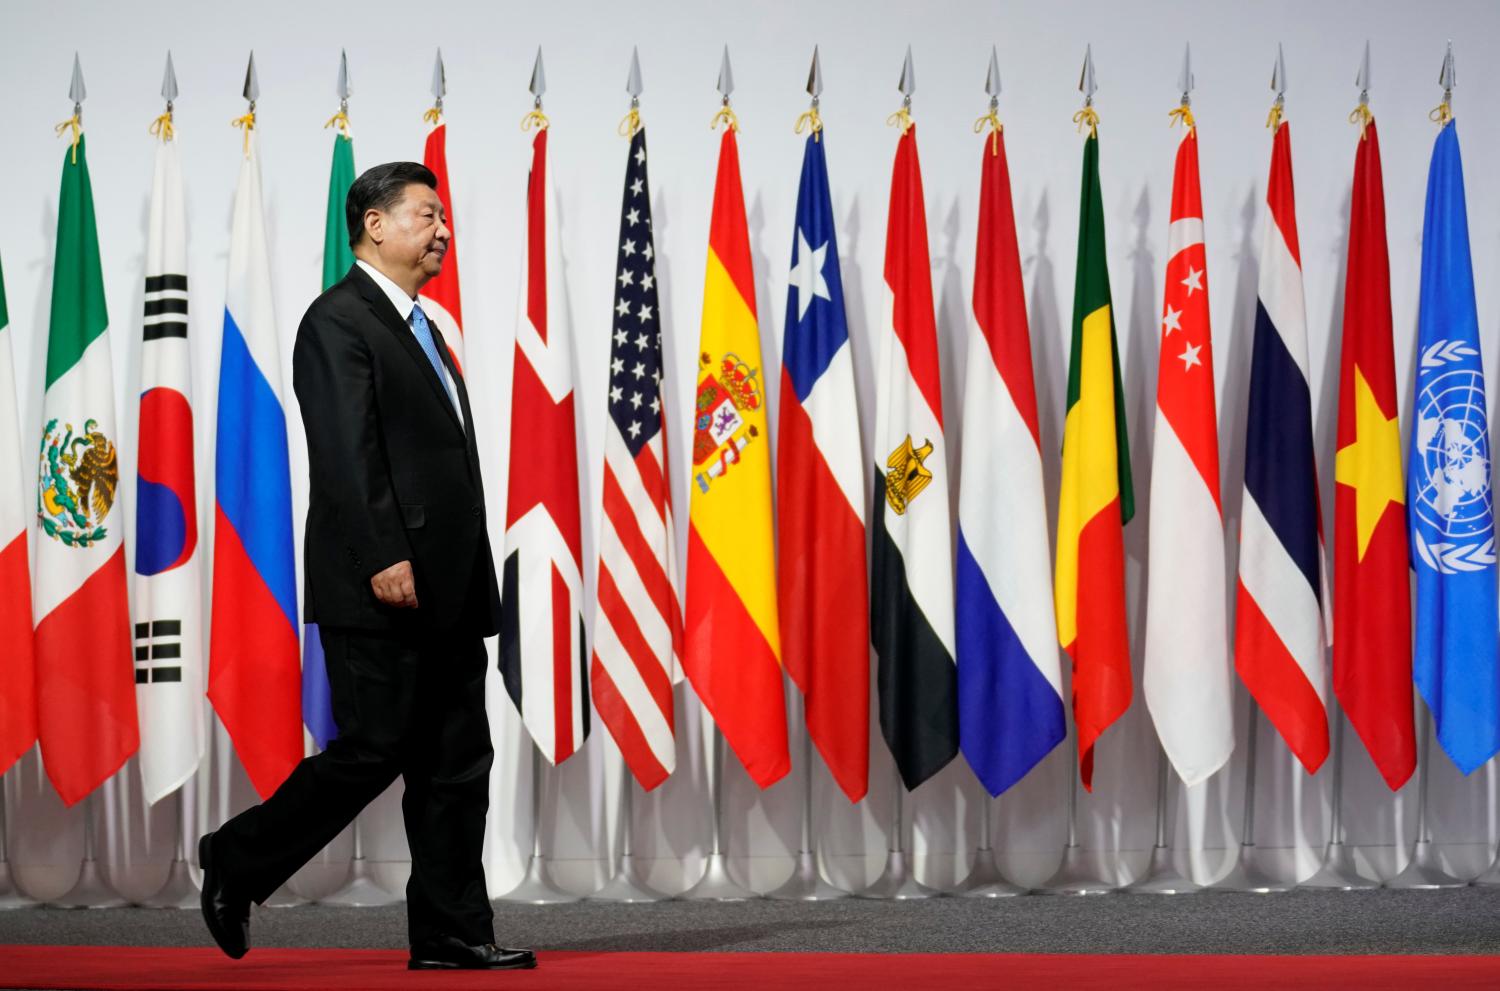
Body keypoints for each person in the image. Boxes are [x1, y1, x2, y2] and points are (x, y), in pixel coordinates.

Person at [199, 162, 534, 972]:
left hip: (451, 585)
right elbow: (347, 454)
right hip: (381, 582)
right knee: (376, 746)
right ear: (375, 225)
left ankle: (453, 933)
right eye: (427, 214)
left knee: (458, 763)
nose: (443, 229)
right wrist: (385, 552)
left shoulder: (430, 328)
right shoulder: (336, 321)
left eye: (444, 215)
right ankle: (236, 858)